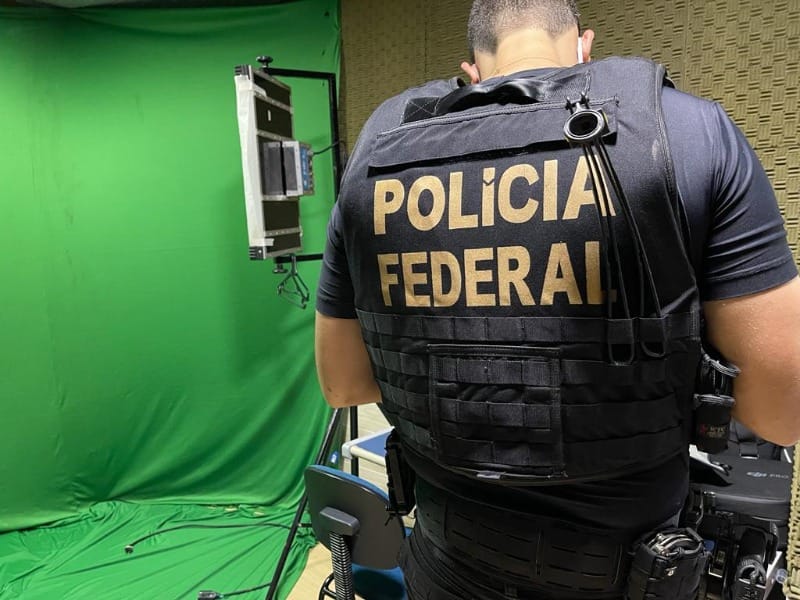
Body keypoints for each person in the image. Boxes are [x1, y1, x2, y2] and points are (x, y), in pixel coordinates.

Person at [314, 1, 800, 598]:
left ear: (472, 71)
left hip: (443, 565)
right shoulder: (691, 132)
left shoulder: (375, 162)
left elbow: (343, 385)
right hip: (629, 575)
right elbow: (782, 413)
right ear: (584, 49)